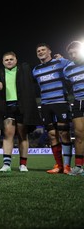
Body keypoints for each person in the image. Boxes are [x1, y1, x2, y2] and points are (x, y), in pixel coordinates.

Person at [0, 51, 41, 172]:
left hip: (22, 106)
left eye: (11, 59)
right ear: (3, 62)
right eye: (6, 60)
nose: (9, 61)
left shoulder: (25, 69)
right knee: (7, 135)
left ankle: (23, 164)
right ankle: (6, 164)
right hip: (7, 107)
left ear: (16, 60)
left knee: (23, 135)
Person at [32, 43, 72, 174]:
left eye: (43, 50)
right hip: (45, 105)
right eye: (38, 50)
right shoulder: (36, 70)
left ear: (49, 51)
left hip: (60, 102)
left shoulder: (59, 63)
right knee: (52, 134)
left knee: (64, 133)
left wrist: (62, 59)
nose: (40, 52)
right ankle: (58, 165)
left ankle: (67, 166)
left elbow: (73, 65)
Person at [63, 41, 84, 176]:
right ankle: (78, 166)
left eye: (75, 52)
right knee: (78, 134)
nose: (73, 55)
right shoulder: (68, 70)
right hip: (78, 102)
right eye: (70, 54)